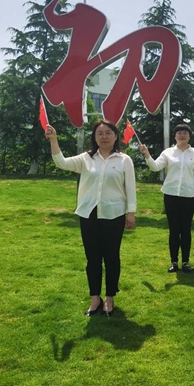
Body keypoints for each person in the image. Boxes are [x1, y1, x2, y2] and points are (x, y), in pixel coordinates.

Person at [45, 120, 136, 317]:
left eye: (108, 133)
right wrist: (53, 140)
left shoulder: (124, 160)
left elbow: (130, 187)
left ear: (115, 136)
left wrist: (131, 212)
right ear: (94, 137)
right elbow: (61, 163)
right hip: (89, 213)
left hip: (114, 214)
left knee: (111, 257)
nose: (104, 137)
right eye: (99, 133)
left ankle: (109, 297)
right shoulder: (86, 158)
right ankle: (95, 298)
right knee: (92, 258)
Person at [139, 123, 194, 273]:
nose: (182, 135)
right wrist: (147, 155)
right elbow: (155, 167)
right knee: (174, 230)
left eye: (185, 133)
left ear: (189, 136)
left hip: (188, 195)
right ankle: (174, 262)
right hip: (171, 195)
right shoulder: (168, 153)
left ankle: (186, 262)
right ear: (175, 136)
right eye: (179, 133)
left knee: (186, 230)